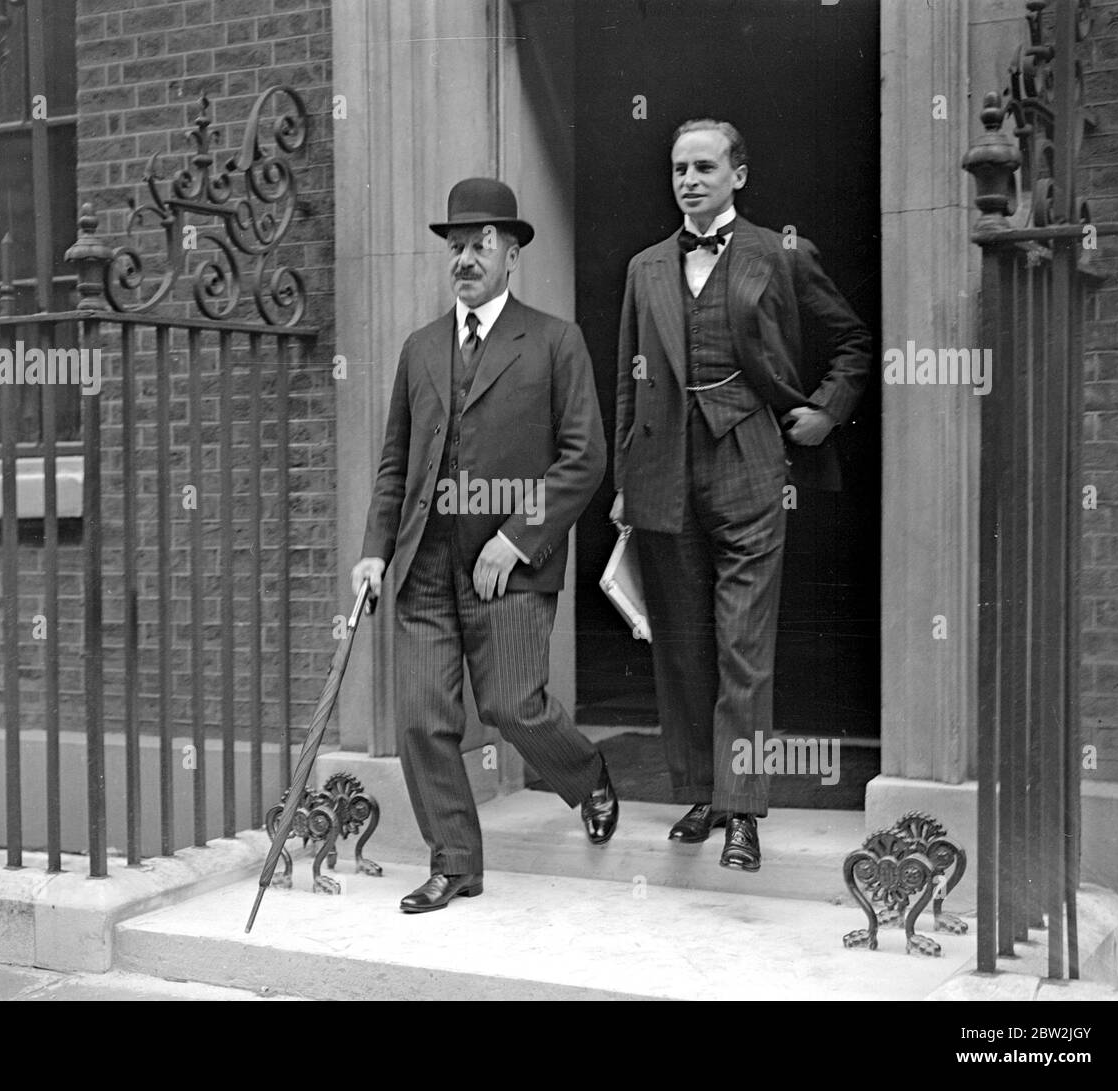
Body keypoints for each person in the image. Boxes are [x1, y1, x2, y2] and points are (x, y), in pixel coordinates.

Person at [611, 119, 871, 872]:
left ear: (739, 175)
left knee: (743, 646)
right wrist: (625, 482)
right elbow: (628, 381)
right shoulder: (645, 267)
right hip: (663, 472)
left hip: (751, 463)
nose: (690, 180)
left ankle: (744, 811)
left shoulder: (780, 253)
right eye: (679, 169)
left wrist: (827, 411)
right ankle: (702, 792)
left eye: (705, 167)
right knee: (682, 644)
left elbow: (852, 341)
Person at [352, 178, 616, 913]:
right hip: (423, 564)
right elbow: (395, 464)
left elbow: (584, 457)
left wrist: (517, 538)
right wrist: (376, 549)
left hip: (508, 565)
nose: (464, 259)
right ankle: (455, 862)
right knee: (420, 717)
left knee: (511, 705)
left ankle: (587, 775)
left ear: (511, 254)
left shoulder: (555, 340)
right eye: (455, 246)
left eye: (480, 245)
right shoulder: (420, 347)